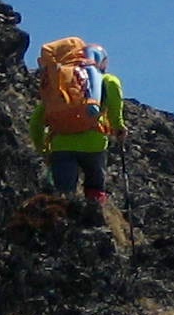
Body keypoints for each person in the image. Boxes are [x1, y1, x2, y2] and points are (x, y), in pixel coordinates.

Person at [33, 37, 124, 206]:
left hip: (61, 145)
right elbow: (114, 102)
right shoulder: (106, 80)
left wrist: (43, 149)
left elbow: (35, 123)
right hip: (94, 142)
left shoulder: (56, 83)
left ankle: (62, 221)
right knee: (95, 186)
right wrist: (118, 126)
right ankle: (96, 215)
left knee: (64, 194)